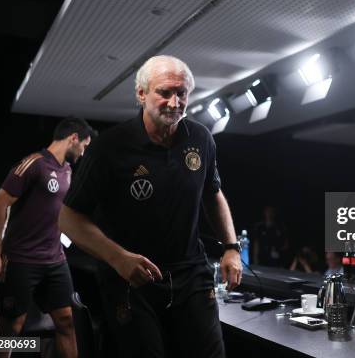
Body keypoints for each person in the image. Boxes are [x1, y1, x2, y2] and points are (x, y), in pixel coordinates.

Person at [58, 55, 242, 358]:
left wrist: (231, 247)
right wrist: (118, 258)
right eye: (164, 92)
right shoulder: (109, 148)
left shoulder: (200, 138)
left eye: (181, 93)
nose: (174, 102)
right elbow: (67, 217)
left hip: (190, 273)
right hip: (131, 278)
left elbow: (213, 193)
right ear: (141, 94)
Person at [0, 116, 95, 358]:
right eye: (84, 146)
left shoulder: (68, 171)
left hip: (55, 261)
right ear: (74, 138)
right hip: (21, 260)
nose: (83, 153)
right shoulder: (34, 164)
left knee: (66, 322)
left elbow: (57, 213)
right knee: (12, 327)